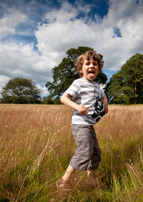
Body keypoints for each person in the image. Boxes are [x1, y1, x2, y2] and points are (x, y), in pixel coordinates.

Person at [56, 50, 108, 191]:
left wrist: (104, 104)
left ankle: (91, 181)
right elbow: (64, 98)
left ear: (98, 69)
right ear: (81, 69)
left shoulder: (97, 86)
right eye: (88, 63)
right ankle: (63, 181)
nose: (92, 65)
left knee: (95, 153)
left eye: (95, 64)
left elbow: (103, 97)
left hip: (89, 125)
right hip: (80, 124)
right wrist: (78, 106)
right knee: (85, 151)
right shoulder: (78, 83)